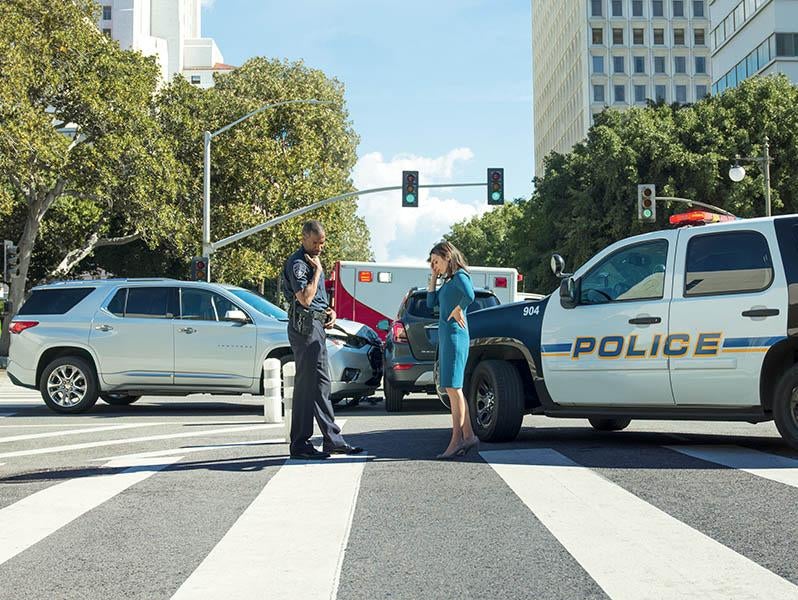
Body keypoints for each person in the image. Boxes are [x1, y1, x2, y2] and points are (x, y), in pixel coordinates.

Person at [282, 220, 364, 460]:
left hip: (316, 325)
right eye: (316, 242)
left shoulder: (312, 260)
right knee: (307, 386)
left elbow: (317, 299)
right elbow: (305, 299)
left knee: (321, 385)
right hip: (304, 327)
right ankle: (300, 444)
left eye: (322, 242)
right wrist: (317, 271)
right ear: (304, 238)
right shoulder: (299, 263)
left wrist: (330, 311)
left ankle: (332, 440)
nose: (320, 247)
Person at [426, 241, 477, 460]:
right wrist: (434, 278)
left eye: (436, 262)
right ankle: (468, 436)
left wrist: (459, 309)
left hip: (456, 337)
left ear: (447, 257)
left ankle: (457, 440)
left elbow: (470, 296)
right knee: (452, 388)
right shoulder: (447, 281)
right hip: (447, 338)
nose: (435, 266)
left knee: (453, 388)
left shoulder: (460, 277)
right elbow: (431, 303)